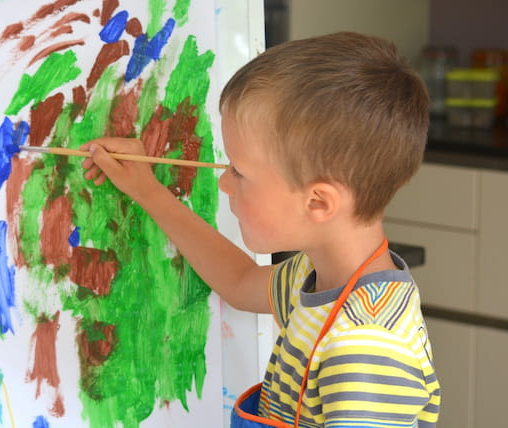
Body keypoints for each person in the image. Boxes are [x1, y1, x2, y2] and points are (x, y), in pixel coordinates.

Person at [80, 31, 440, 428]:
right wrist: (146, 190)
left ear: (318, 202)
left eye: (239, 172)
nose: (223, 182)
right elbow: (239, 280)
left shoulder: (365, 346)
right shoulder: (317, 277)